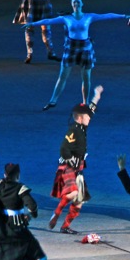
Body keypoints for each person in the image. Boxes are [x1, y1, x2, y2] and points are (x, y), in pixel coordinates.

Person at [26, 0, 128, 110]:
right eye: (74, 2)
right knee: (63, 75)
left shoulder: (89, 17)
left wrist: (123, 16)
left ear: (82, 3)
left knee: (86, 77)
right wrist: (33, 24)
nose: (76, 4)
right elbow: (49, 21)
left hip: (85, 48)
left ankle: (85, 102)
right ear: (71, 4)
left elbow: (106, 16)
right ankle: (53, 101)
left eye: (78, 2)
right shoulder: (66, 18)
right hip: (71, 48)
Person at [49, 87, 103, 234]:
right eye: (87, 116)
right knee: (73, 194)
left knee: (79, 202)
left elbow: (91, 109)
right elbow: (63, 148)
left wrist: (96, 96)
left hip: (77, 169)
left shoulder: (82, 127)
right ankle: (56, 213)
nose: (90, 117)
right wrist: (71, 159)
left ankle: (65, 226)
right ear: (80, 117)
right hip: (68, 166)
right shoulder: (74, 130)